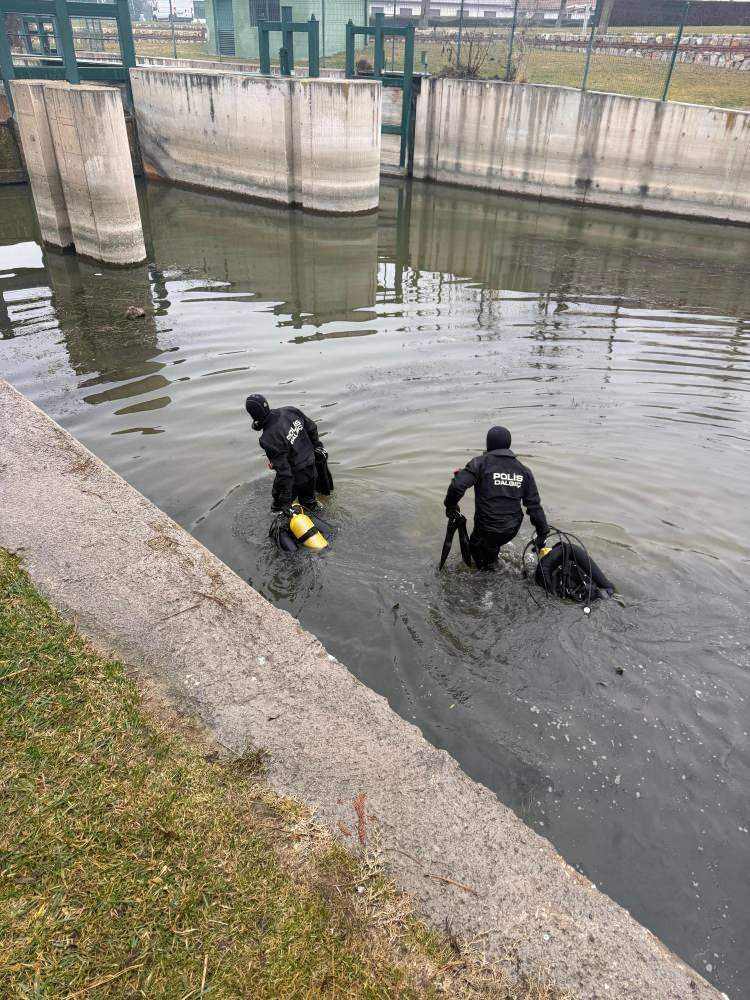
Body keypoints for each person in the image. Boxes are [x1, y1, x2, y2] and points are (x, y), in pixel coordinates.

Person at [444, 426, 549, 570]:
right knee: (490, 549)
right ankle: (497, 566)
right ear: (508, 445)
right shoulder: (523, 470)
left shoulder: (480, 463)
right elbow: (534, 506)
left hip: (486, 530)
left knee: (480, 560)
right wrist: (543, 533)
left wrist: (451, 507)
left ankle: (489, 581)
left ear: (488, 444)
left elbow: (457, 487)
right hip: (511, 530)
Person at [245, 394, 326, 512]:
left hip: (298, 477)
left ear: (252, 414)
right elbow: (312, 428)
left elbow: (285, 473)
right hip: (312, 466)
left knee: (277, 508)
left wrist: (285, 500)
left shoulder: (268, 438)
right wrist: (317, 448)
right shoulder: (289, 410)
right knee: (310, 504)